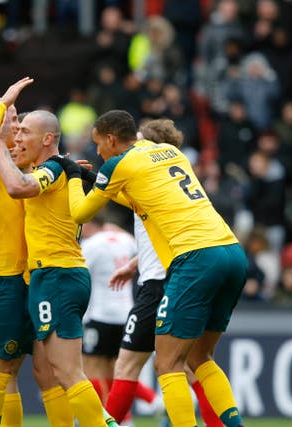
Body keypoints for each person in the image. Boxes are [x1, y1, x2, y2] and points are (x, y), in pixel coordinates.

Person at [53, 110, 246, 427]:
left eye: (99, 144)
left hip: (194, 259)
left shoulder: (119, 163)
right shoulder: (171, 153)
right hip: (231, 251)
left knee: (168, 364)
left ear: (111, 139)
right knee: (200, 357)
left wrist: (74, 176)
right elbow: (143, 199)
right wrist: (96, 180)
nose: (98, 152)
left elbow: (80, 214)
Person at [0, 76, 78, 427]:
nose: (18, 126)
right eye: (13, 120)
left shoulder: (18, 167)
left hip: (20, 276)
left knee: (13, 369)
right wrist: (3, 102)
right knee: (0, 367)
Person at [0, 108, 124, 427]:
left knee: (67, 372)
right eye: (17, 129)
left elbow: (18, 187)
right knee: (48, 372)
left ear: (48, 138)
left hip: (56, 275)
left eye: (25, 130)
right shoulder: (59, 169)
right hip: (57, 276)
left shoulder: (53, 169)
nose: (18, 136)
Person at [104, 118, 223, 427]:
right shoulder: (177, 182)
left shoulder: (143, 177)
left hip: (159, 283)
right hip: (185, 274)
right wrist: (134, 264)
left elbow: (103, 193)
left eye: (139, 140)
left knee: (127, 365)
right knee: (189, 364)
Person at [80, 213, 136, 404]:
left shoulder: (91, 245)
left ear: (88, 223)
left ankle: (100, 418)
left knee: (91, 367)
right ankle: (122, 419)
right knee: (115, 369)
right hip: (126, 314)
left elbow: (81, 275)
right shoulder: (125, 240)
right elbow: (138, 245)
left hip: (100, 315)